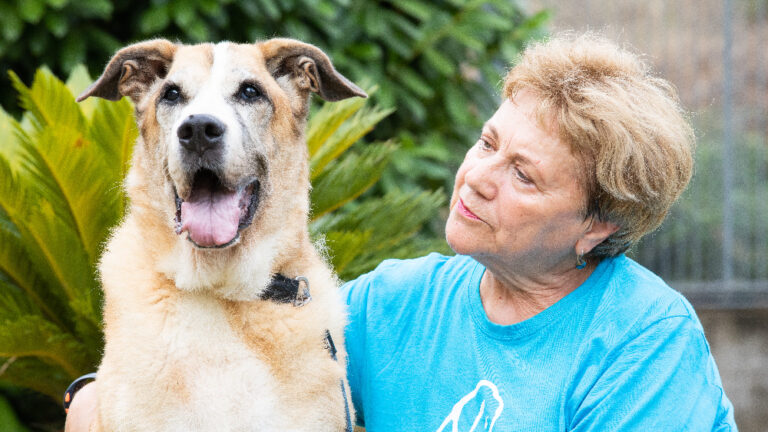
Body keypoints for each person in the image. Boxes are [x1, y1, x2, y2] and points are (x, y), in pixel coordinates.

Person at [66, 33, 737, 431]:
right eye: (487, 142)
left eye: (524, 176)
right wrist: (93, 396)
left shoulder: (643, 340)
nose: (476, 177)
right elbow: (242, 363)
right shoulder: (395, 305)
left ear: (599, 226)